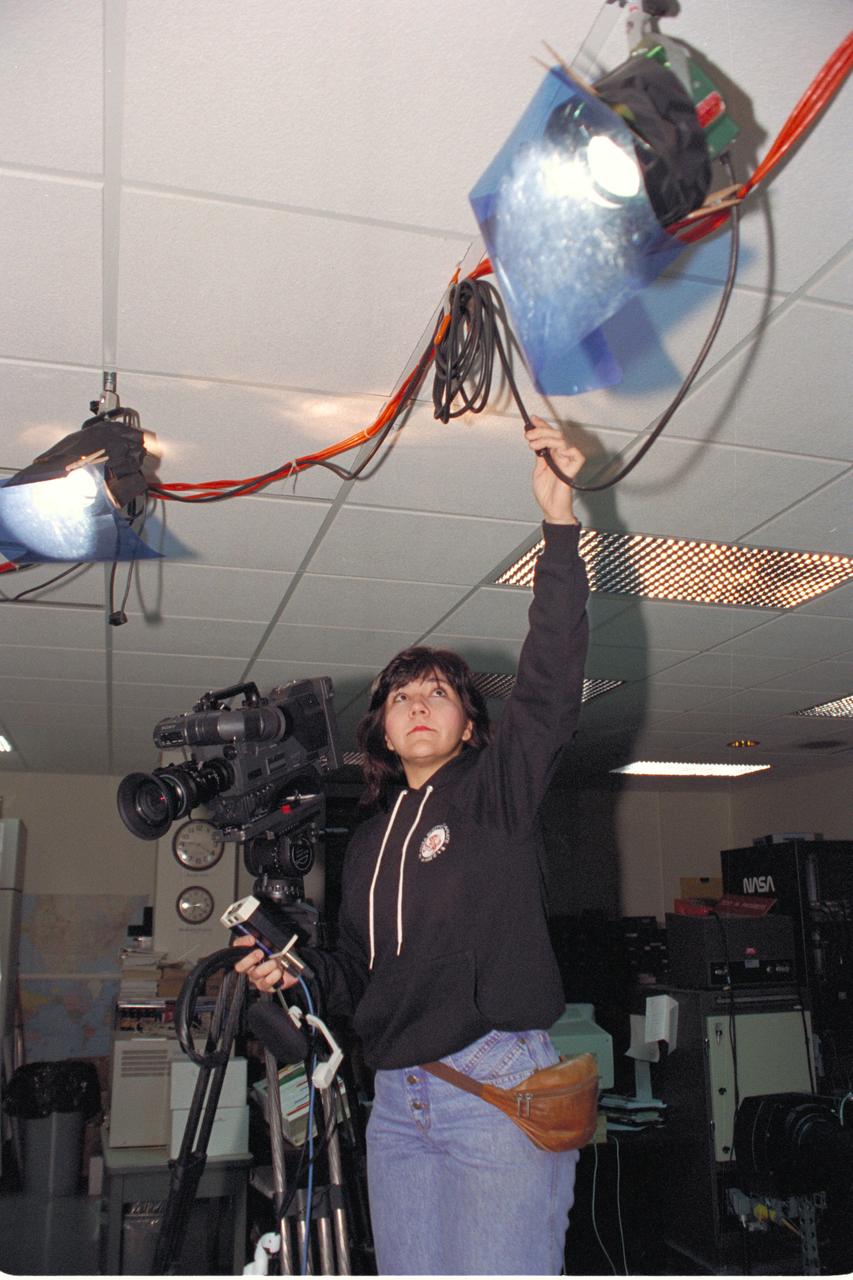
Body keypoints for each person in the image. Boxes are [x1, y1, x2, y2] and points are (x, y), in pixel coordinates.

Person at [235, 416, 590, 1276]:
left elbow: (546, 684)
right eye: (400, 698)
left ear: (470, 727)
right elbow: (359, 977)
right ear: (385, 733)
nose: (418, 704)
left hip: (494, 1082)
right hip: (397, 1097)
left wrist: (559, 527)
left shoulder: (494, 795)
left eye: (438, 693)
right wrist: (296, 970)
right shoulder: (361, 842)